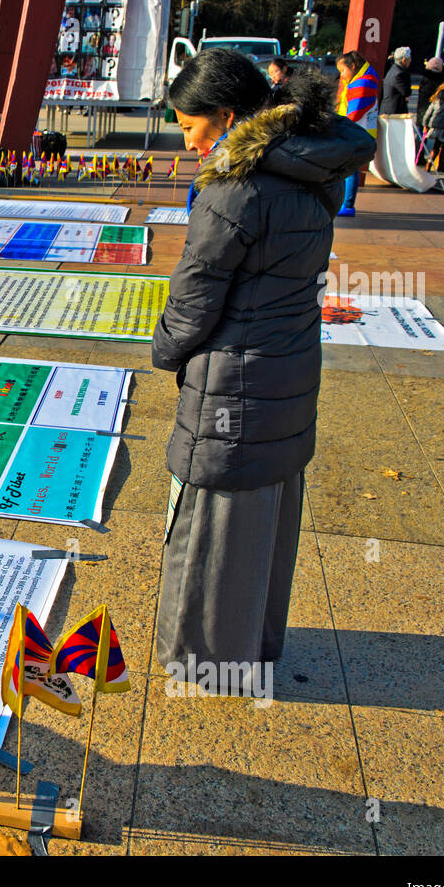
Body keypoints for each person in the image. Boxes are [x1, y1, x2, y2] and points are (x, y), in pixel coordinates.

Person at [153, 50, 375, 693]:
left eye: (190, 126)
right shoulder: (311, 169)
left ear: (225, 117)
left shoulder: (233, 187)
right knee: (266, 507)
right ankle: (251, 643)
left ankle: (202, 659)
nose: (186, 140)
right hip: (290, 360)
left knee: (213, 509)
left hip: (234, 372)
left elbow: (196, 298)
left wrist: (165, 350)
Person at [335, 50, 378, 217]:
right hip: (357, 132)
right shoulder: (363, 81)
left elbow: (353, 114)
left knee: (350, 170)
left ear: (353, 66)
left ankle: (347, 205)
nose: (343, 76)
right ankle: (346, 203)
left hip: (356, 133)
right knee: (349, 170)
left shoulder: (363, 85)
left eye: (343, 71)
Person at [416, 55, 444, 131]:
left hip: (422, 107)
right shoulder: (441, 80)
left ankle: (421, 141)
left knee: (422, 129)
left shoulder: (425, 77)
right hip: (434, 108)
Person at [381, 46, 411, 114]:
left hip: (388, 109)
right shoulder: (399, 74)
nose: (410, 60)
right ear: (404, 60)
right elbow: (407, 92)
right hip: (393, 112)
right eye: (409, 58)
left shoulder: (393, 69)